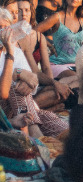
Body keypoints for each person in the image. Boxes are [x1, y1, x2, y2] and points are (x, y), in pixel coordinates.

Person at [0, 7, 68, 138]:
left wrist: (28, 83)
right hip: (3, 110)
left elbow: (34, 82)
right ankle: (35, 134)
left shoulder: (16, 51)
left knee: (59, 127)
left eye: (5, 27)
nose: (2, 32)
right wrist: (17, 72)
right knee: (15, 87)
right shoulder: (11, 51)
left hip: (21, 108)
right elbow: (3, 92)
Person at [9, 0, 73, 111]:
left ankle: (32, 108)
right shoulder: (11, 36)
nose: (23, 14)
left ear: (31, 13)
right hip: (18, 82)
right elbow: (34, 72)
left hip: (35, 81)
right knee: (57, 90)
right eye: (19, 10)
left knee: (62, 91)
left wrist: (50, 85)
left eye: (27, 10)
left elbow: (45, 67)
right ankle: (39, 109)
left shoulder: (38, 36)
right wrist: (54, 84)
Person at [36, 0, 83, 79]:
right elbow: (34, 31)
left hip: (75, 65)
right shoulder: (57, 17)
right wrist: (49, 45)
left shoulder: (81, 20)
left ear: (82, 2)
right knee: (79, 79)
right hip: (57, 64)